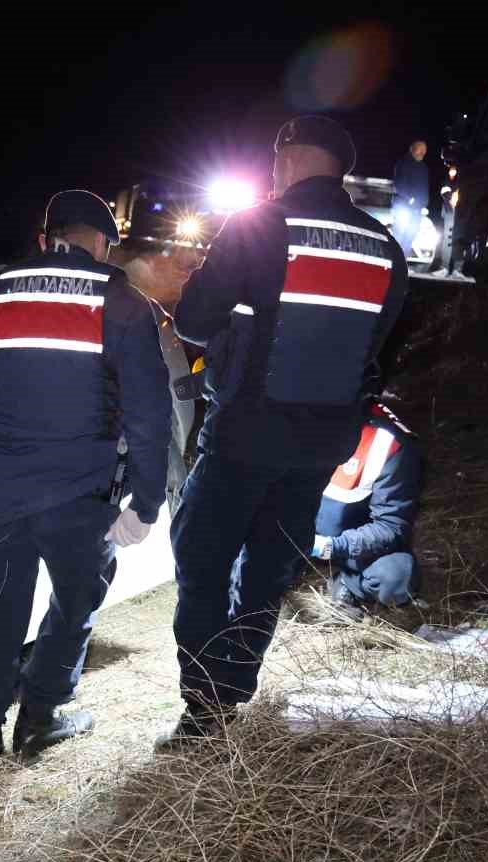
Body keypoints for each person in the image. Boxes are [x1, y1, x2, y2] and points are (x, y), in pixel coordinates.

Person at [164, 115, 409, 749]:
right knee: (268, 573)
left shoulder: (259, 225)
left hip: (244, 435)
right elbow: (376, 352)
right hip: (319, 449)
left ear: (292, 159)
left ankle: (203, 707)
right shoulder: (385, 247)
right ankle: (236, 688)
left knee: (201, 560)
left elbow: (192, 321)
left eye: (276, 161)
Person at [0, 190, 171, 758]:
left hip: (1, 494)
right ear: (104, 245)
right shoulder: (124, 303)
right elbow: (149, 412)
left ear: (46, 237)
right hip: (81, 496)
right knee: (74, 605)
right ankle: (40, 718)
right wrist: (145, 503)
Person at [310, 401, 421, 609]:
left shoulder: (387, 443)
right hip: (291, 531)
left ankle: (348, 584)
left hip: (348, 544)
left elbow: (392, 526)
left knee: (396, 577)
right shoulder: (287, 422)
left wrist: (331, 547)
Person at [391, 140, 430, 258]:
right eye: (420, 149)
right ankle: (395, 261)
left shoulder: (423, 167)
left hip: (417, 209)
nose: (422, 152)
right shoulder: (403, 163)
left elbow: (425, 186)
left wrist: (424, 202)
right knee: (399, 234)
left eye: (424, 150)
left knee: (411, 235)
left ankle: (403, 260)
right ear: (412, 149)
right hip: (403, 206)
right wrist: (410, 199)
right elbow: (399, 185)